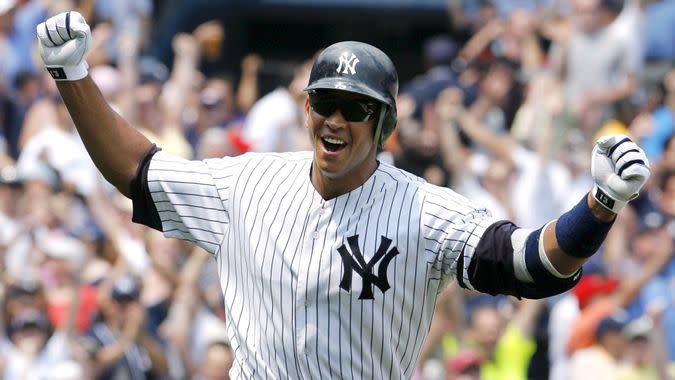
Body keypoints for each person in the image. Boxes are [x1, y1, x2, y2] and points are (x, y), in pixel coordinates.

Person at [36, 11, 651, 379]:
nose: (336, 120)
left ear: (386, 127)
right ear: (306, 108)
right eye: (325, 103)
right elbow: (137, 172)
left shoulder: (425, 211)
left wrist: (600, 206)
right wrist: (72, 75)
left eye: (356, 110)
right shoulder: (245, 183)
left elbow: (532, 266)